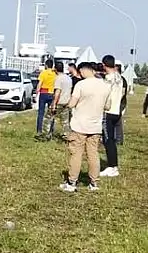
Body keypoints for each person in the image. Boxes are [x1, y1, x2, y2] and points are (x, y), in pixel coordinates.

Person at [61, 62, 108, 193]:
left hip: (79, 125)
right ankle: (93, 183)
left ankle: (72, 182)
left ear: (82, 70)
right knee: (93, 154)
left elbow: (72, 104)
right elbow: (107, 106)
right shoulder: (105, 86)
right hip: (95, 126)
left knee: (76, 154)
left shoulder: (81, 85)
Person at [99, 55, 124, 178]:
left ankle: (112, 166)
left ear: (104, 65)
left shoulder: (108, 79)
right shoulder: (119, 76)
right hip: (116, 111)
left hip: (108, 112)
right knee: (112, 140)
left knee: (107, 140)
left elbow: (103, 94)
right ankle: (113, 165)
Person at [43, 62, 73, 141]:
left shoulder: (58, 78)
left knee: (48, 118)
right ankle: (67, 136)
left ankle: (45, 135)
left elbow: (57, 92)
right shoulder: (68, 78)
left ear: (55, 69)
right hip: (66, 102)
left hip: (59, 102)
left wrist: (54, 104)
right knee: (65, 121)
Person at [35, 58, 57, 138]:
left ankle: (39, 131)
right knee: (51, 113)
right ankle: (50, 131)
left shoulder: (43, 73)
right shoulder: (55, 74)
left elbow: (39, 84)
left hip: (43, 93)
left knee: (41, 113)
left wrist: (37, 93)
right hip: (52, 94)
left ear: (46, 65)